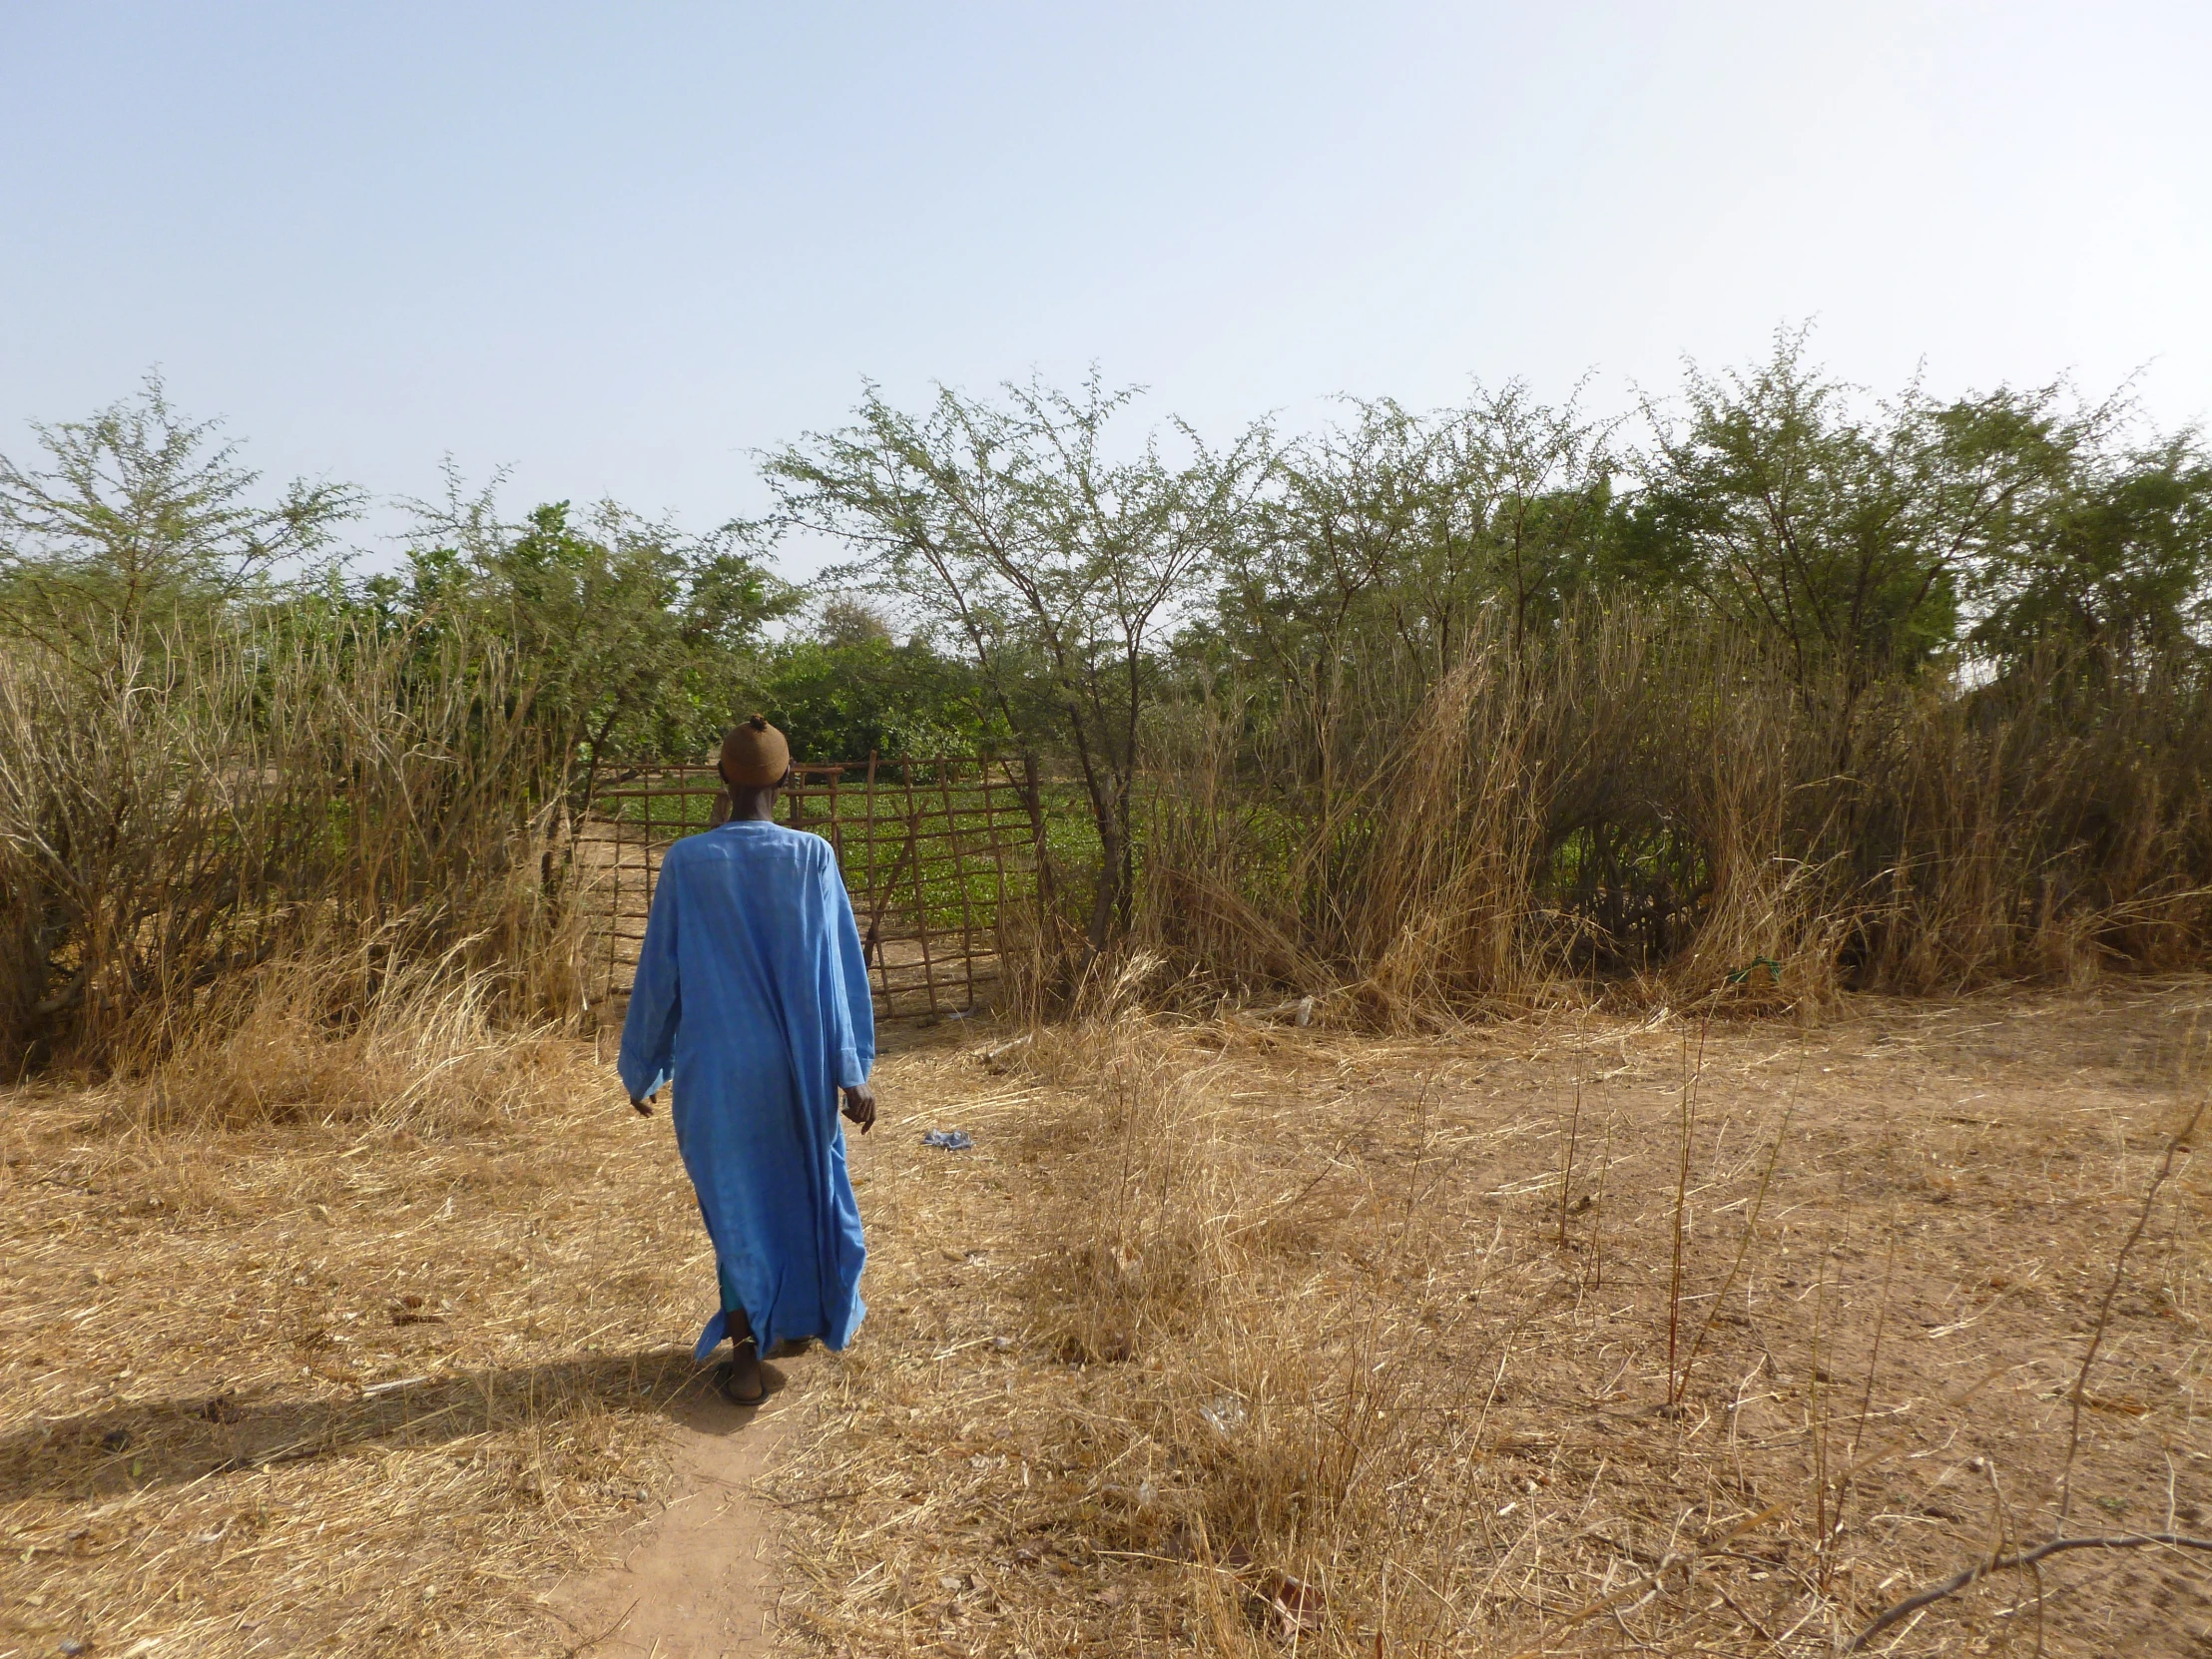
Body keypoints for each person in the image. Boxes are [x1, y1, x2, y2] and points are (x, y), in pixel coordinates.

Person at [619, 716, 878, 1406]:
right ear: (788, 779)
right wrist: (850, 1069)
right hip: (797, 1067)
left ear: (721, 778)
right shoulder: (811, 857)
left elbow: (660, 975)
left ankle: (747, 1352)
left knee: (736, 1205)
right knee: (799, 1191)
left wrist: (643, 1064)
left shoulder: (688, 861)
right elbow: (838, 969)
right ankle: (792, 1321)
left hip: (719, 1070)